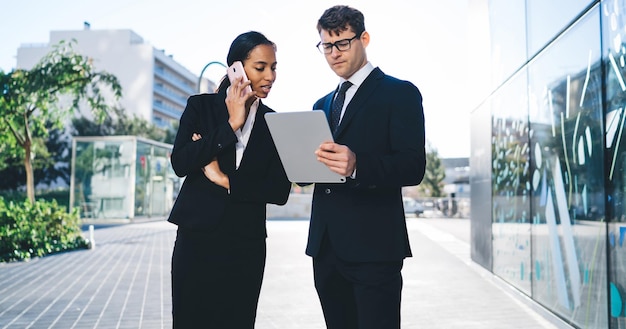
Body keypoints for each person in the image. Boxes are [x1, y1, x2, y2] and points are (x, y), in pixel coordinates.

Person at [306, 5, 426, 329]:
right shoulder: (321, 105)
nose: (334, 53)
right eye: (326, 46)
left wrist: (358, 165)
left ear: (364, 38)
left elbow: (413, 166)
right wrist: (300, 166)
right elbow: (319, 170)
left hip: (374, 250)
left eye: (342, 43)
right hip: (326, 247)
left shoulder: (400, 93)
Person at [167, 31, 291, 328]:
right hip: (197, 238)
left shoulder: (275, 122)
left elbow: (279, 190)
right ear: (235, 68)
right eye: (261, 67)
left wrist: (224, 180)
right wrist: (231, 123)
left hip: (245, 244)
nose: (270, 76)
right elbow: (181, 162)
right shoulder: (200, 107)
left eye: (274, 68)